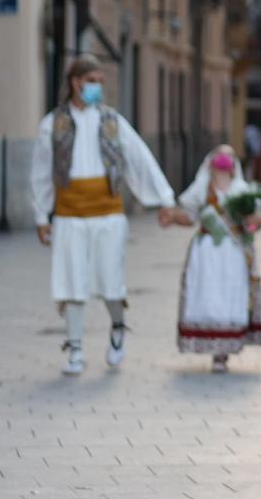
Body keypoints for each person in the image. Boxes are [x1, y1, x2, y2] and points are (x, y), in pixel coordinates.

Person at [30, 57, 179, 376]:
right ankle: (75, 349)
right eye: (92, 80)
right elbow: (41, 172)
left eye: (100, 80)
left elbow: (140, 158)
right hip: (69, 214)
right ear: (76, 82)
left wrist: (164, 199)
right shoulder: (52, 124)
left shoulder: (113, 121)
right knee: (72, 283)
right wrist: (42, 216)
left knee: (111, 283)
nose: (98, 86)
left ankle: (117, 327)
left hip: (108, 213)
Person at [173, 145, 261, 371]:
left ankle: (223, 351)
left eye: (228, 157)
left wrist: (253, 223)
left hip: (232, 252)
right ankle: (212, 344)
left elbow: (255, 222)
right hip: (206, 252)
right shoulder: (202, 191)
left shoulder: (242, 191)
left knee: (229, 295)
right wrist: (172, 217)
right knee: (207, 294)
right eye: (220, 157)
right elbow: (189, 217)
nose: (223, 162)